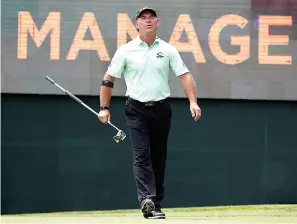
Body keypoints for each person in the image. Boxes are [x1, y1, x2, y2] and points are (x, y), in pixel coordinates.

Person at [98, 6, 201, 219]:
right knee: (141, 154)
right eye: (143, 18)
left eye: (151, 18)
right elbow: (108, 80)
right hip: (136, 109)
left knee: (158, 157)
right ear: (136, 24)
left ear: (157, 23)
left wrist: (193, 102)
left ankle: (155, 203)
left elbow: (184, 75)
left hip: (162, 109)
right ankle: (146, 199)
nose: (147, 21)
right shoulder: (125, 50)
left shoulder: (168, 49)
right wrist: (104, 108)